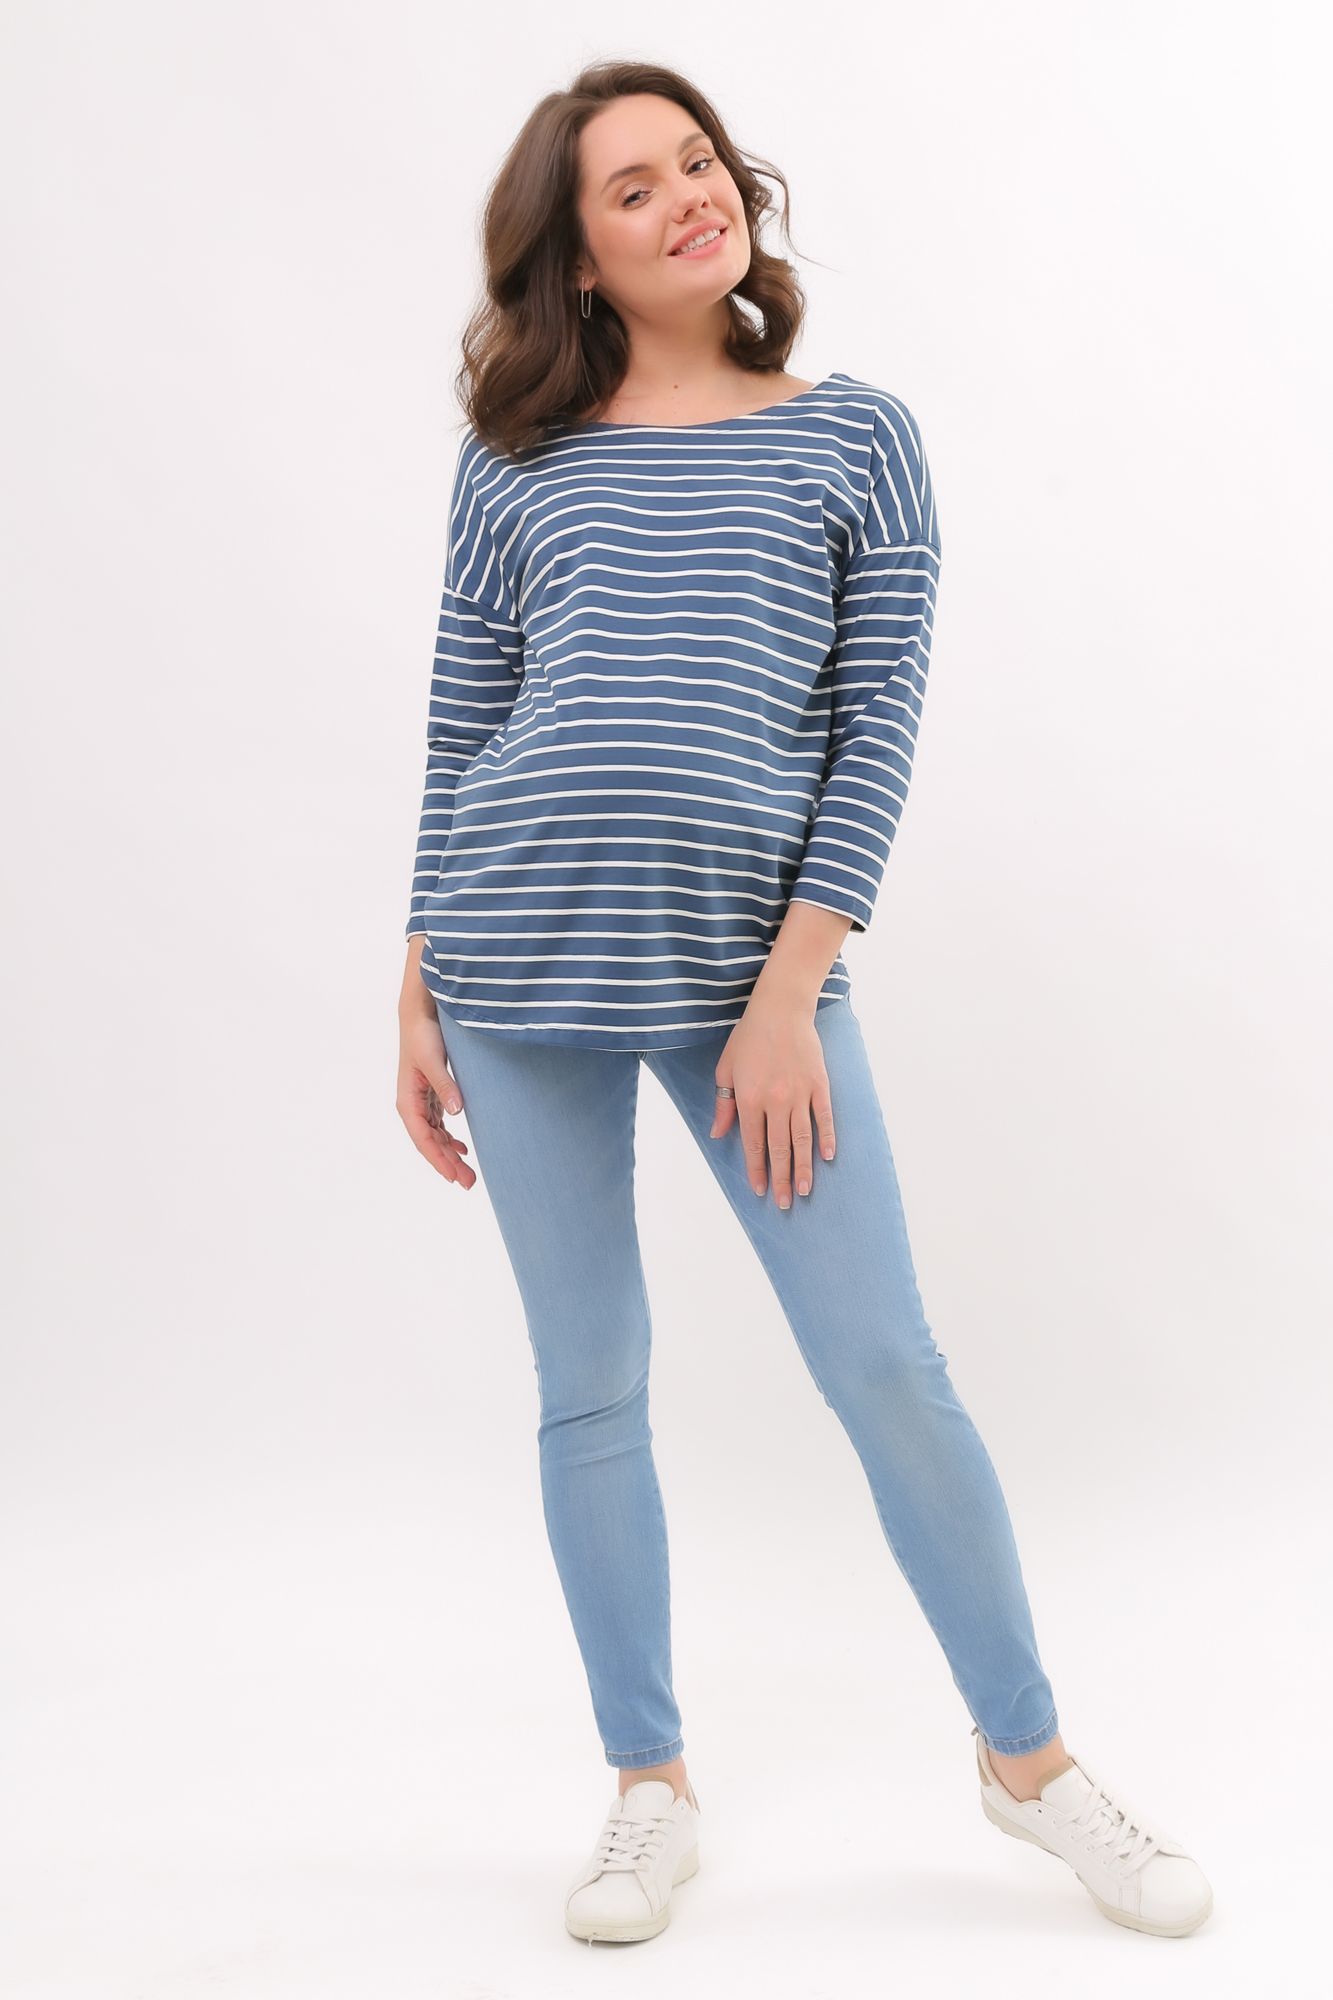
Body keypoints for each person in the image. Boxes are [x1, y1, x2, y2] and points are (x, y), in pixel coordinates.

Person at [395, 61, 1212, 1945]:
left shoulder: (852, 437)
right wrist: (417, 978)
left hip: (746, 985)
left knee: (886, 1369)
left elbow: (872, 730)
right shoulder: (514, 459)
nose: (688, 195)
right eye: (631, 188)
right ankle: (646, 1788)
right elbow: (462, 717)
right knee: (589, 1389)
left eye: (696, 160)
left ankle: (1028, 1764)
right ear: (575, 260)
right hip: (514, 961)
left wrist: (787, 996)